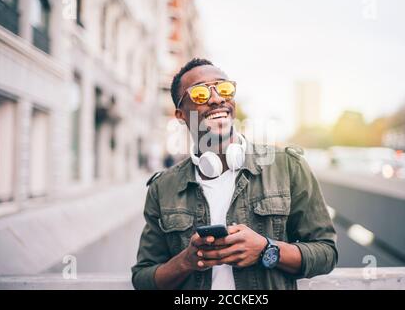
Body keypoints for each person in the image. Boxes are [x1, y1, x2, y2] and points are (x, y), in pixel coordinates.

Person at [132, 58, 337, 290]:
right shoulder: (163, 188)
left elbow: (326, 253)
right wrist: (185, 262)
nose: (217, 99)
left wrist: (266, 249)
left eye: (224, 89)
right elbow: (143, 278)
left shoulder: (288, 166)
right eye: (200, 94)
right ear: (180, 115)